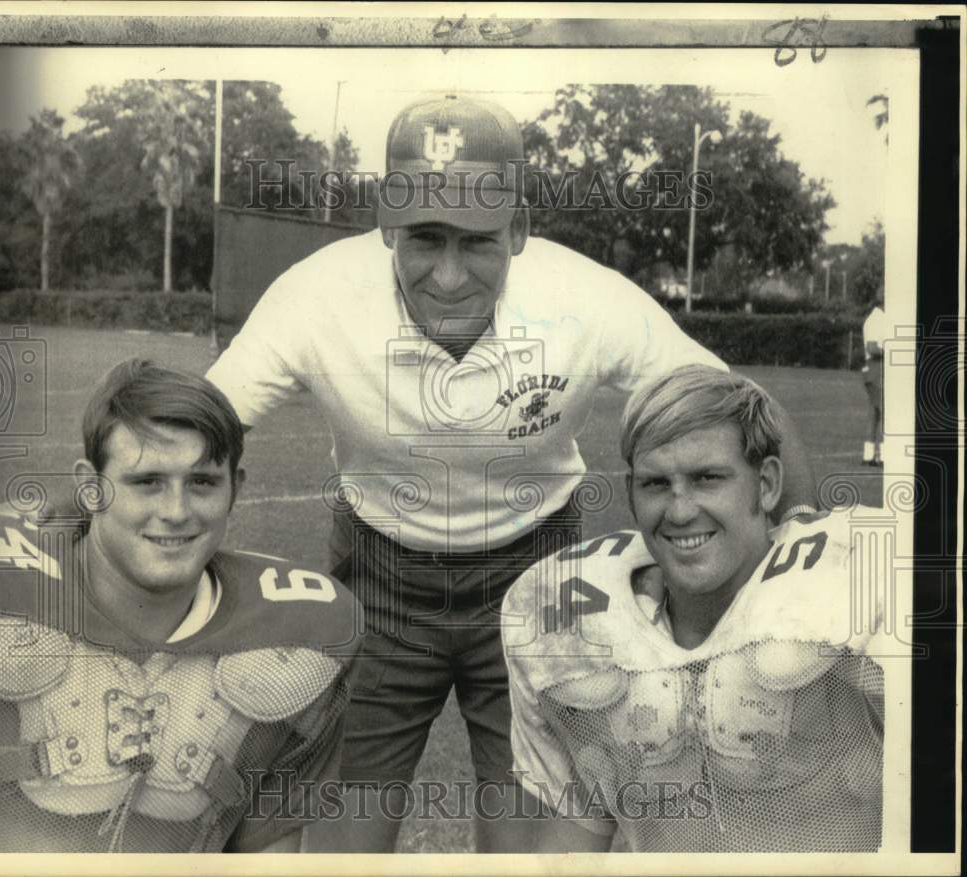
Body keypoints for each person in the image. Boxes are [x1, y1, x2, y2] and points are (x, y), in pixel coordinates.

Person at [205, 93, 819, 852]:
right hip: (379, 577)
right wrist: (77, 544)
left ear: (521, 229)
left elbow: (742, 408)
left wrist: (802, 580)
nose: (451, 275)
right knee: (338, 847)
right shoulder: (314, 295)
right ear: (385, 224)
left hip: (539, 580)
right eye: (424, 238)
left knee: (528, 850)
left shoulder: (584, 300)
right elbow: (196, 422)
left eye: (479, 241)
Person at [0, 359, 363, 853]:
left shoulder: (297, 633)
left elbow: (268, 851)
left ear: (235, 490)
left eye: (201, 482)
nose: (176, 512)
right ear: (91, 489)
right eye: (147, 481)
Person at [502, 365, 885, 852]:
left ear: (766, 485)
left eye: (708, 479)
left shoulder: (852, 589)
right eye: (656, 484)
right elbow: (572, 842)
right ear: (630, 495)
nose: (680, 511)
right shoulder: (572, 618)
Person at [861, 287, 887, 466]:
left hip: (875, 370)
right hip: (877, 368)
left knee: (875, 414)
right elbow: (871, 348)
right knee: (886, 413)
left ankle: (868, 455)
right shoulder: (876, 320)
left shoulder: (878, 318)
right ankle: (883, 456)